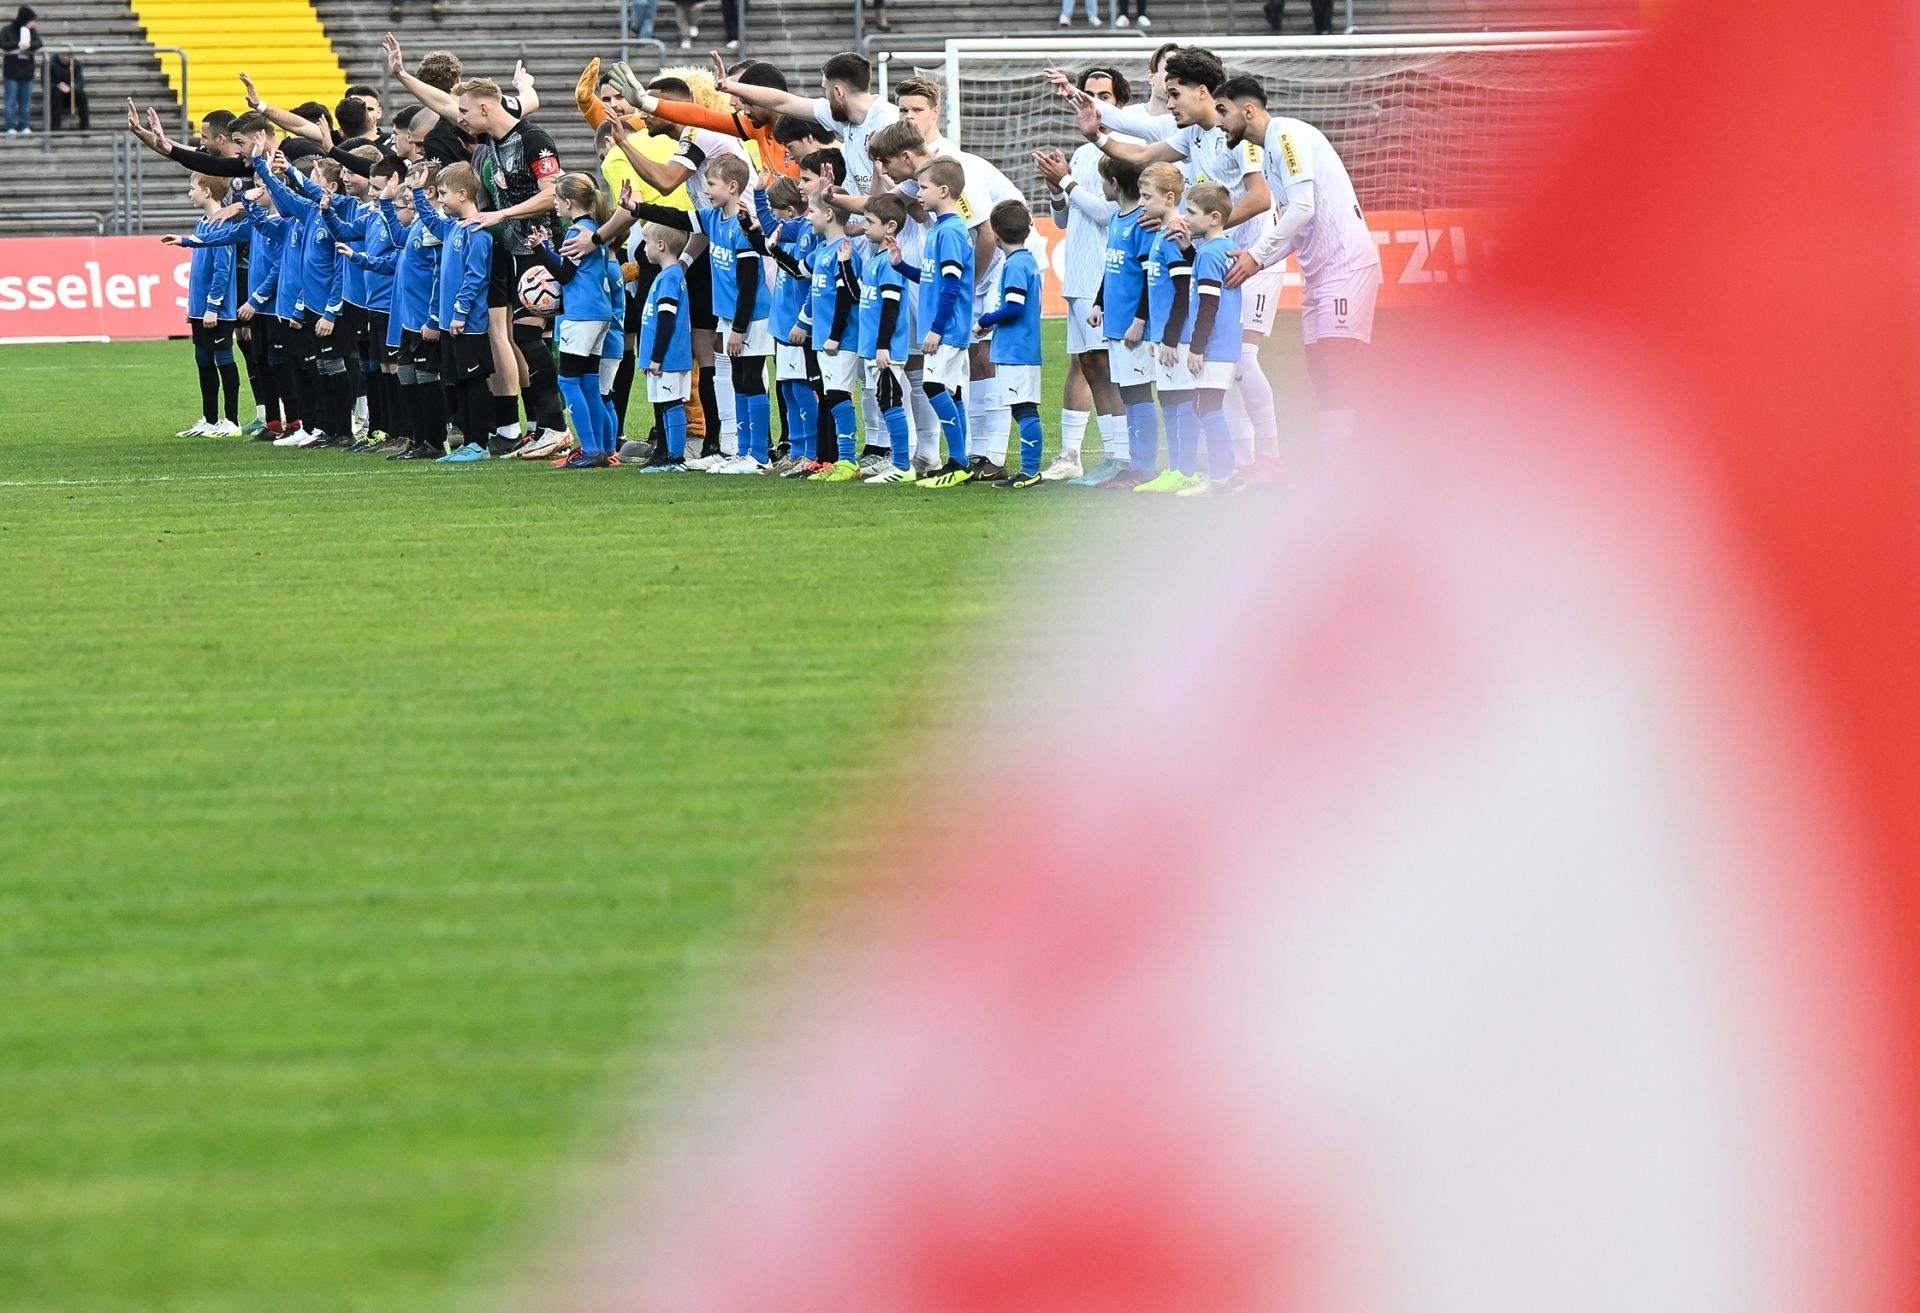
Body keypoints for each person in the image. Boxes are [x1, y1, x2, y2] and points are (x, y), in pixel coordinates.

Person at [1078, 47, 1281, 477]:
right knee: (1209, 362)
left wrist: (1201, 229)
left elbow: (1261, 199)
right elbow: (1139, 157)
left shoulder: (1237, 136)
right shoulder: (1193, 136)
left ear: (1202, 92)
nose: (1168, 105)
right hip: (1215, 256)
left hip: (1255, 257)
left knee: (1239, 358)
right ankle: (1230, 461)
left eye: (1174, 95)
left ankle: (1267, 457)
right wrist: (1096, 135)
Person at [1220, 77, 1381, 468]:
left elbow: (1302, 208)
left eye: (1223, 111)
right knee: (1320, 366)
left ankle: (1347, 465)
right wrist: (1258, 258)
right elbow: (1297, 225)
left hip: (1345, 265)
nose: (1220, 122)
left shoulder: (1285, 136)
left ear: (1248, 110)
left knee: (1335, 361)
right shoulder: (1270, 152)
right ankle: (1335, 461)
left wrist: (1257, 257)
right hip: (1320, 271)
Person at [1032, 64, 1130, 482]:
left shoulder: (1126, 147)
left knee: (1104, 365)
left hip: (1105, 275)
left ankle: (1120, 455)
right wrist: (1057, 191)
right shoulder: (1084, 152)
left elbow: (1113, 214)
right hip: (1078, 273)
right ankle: (1071, 453)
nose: (1092, 101)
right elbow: (1064, 223)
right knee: (1082, 363)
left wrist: (1068, 182)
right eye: (1087, 93)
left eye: (1103, 95)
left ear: (1120, 103)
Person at [523, 173, 621, 468]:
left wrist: (540, 251)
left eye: (556, 199)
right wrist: (548, 250)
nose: (553, 204)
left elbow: (565, 274)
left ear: (568, 202)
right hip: (600, 313)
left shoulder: (577, 232)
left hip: (582, 315)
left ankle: (591, 450)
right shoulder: (595, 230)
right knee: (590, 382)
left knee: (568, 381)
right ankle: (601, 448)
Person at [412, 161, 496, 462]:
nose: (441, 199)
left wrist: (460, 312)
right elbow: (432, 224)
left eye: (444, 194)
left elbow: (476, 277)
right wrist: (418, 193)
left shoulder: (478, 233)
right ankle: (467, 442)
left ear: (463, 194)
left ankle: (480, 443)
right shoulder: (453, 227)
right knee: (458, 382)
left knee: (474, 384)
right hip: (451, 323)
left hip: (468, 324)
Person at [1088, 154, 1156, 489]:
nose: (1102, 185)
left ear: (1114, 184)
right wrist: (1099, 303)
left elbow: (1148, 278)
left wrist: (1140, 321)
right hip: (1115, 324)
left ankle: (1143, 467)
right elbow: (1111, 268)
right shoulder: (1118, 218)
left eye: (1103, 179)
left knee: (1138, 393)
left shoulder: (1142, 224)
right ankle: (1134, 464)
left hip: (1133, 328)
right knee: (1128, 394)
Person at [1173, 183, 1246, 496]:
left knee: (1208, 408)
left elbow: (1209, 304)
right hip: (1226, 342)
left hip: (1213, 345)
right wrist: (1190, 249)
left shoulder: (1208, 256)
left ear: (1214, 217)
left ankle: (1222, 476)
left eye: (1191, 212)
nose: (1184, 218)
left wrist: (1197, 346)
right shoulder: (1220, 249)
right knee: (1209, 407)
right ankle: (1226, 474)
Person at [907, 157, 975, 487]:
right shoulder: (940, 228)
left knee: (934, 387)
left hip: (946, 328)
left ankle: (959, 462)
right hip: (947, 326)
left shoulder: (950, 231)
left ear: (943, 190)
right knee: (953, 391)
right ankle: (960, 461)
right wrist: (902, 266)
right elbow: (934, 277)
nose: (918, 193)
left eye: (923, 187)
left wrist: (936, 328)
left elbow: (952, 284)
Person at [158, 175, 243, 437]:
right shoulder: (202, 223)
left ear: (206, 192)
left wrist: (213, 306)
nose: (189, 192)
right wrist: (192, 305)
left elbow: (222, 270)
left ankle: (232, 421)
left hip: (216, 309)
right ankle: (210, 419)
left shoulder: (223, 224)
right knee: (202, 359)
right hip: (199, 307)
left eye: (192, 188)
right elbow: (198, 271)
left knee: (223, 358)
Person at [1131, 161, 1197, 492]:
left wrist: (1170, 338)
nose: (1141, 203)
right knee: (1168, 399)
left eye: (1146, 196)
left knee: (1180, 400)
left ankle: (1184, 469)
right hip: (1166, 336)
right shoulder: (1161, 233)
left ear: (1169, 198)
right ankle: (1175, 468)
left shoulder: (1174, 235)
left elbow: (1184, 293)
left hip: (1179, 338)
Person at [973, 201, 1045, 489]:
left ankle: (1030, 472)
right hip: (1019, 348)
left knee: (1025, 410)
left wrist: (985, 320)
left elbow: (1014, 307)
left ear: (995, 233)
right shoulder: (1024, 261)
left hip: (1018, 350)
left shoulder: (1016, 265)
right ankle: (1028, 471)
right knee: (1021, 409)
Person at [851, 192, 916, 483]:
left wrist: (882, 346)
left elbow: (891, 307)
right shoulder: (875, 259)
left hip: (886, 350)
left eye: (869, 221)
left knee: (891, 402)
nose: (864, 226)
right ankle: (896, 461)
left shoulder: (889, 263)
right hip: (873, 347)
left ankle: (902, 466)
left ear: (890, 226)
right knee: (884, 401)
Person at [633, 223, 696, 470]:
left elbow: (667, 321)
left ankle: (676, 459)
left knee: (672, 404)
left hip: (669, 358)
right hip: (662, 357)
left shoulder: (670, 278)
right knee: (666, 404)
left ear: (661, 245)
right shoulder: (666, 275)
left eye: (647, 242)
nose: (645, 248)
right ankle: (670, 455)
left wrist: (656, 357)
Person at [2, 6, 38, 135]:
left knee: (25, 103)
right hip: (12, 72)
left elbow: (39, 43)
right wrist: (18, 44)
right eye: (32, 20)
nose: (34, 23)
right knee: (10, 102)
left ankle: (24, 125)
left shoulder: (32, 31)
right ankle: (10, 125)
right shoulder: (7, 30)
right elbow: (3, 44)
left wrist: (30, 45)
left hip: (27, 71)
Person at [48, 49, 84, 130]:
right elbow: (46, 84)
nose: (65, 58)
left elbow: (80, 82)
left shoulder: (76, 64)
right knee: (56, 94)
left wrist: (71, 88)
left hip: (71, 93)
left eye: (68, 55)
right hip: (56, 93)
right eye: (63, 55)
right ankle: (55, 127)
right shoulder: (50, 64)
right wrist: (58, 85)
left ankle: (85, 127)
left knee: (82, 95)